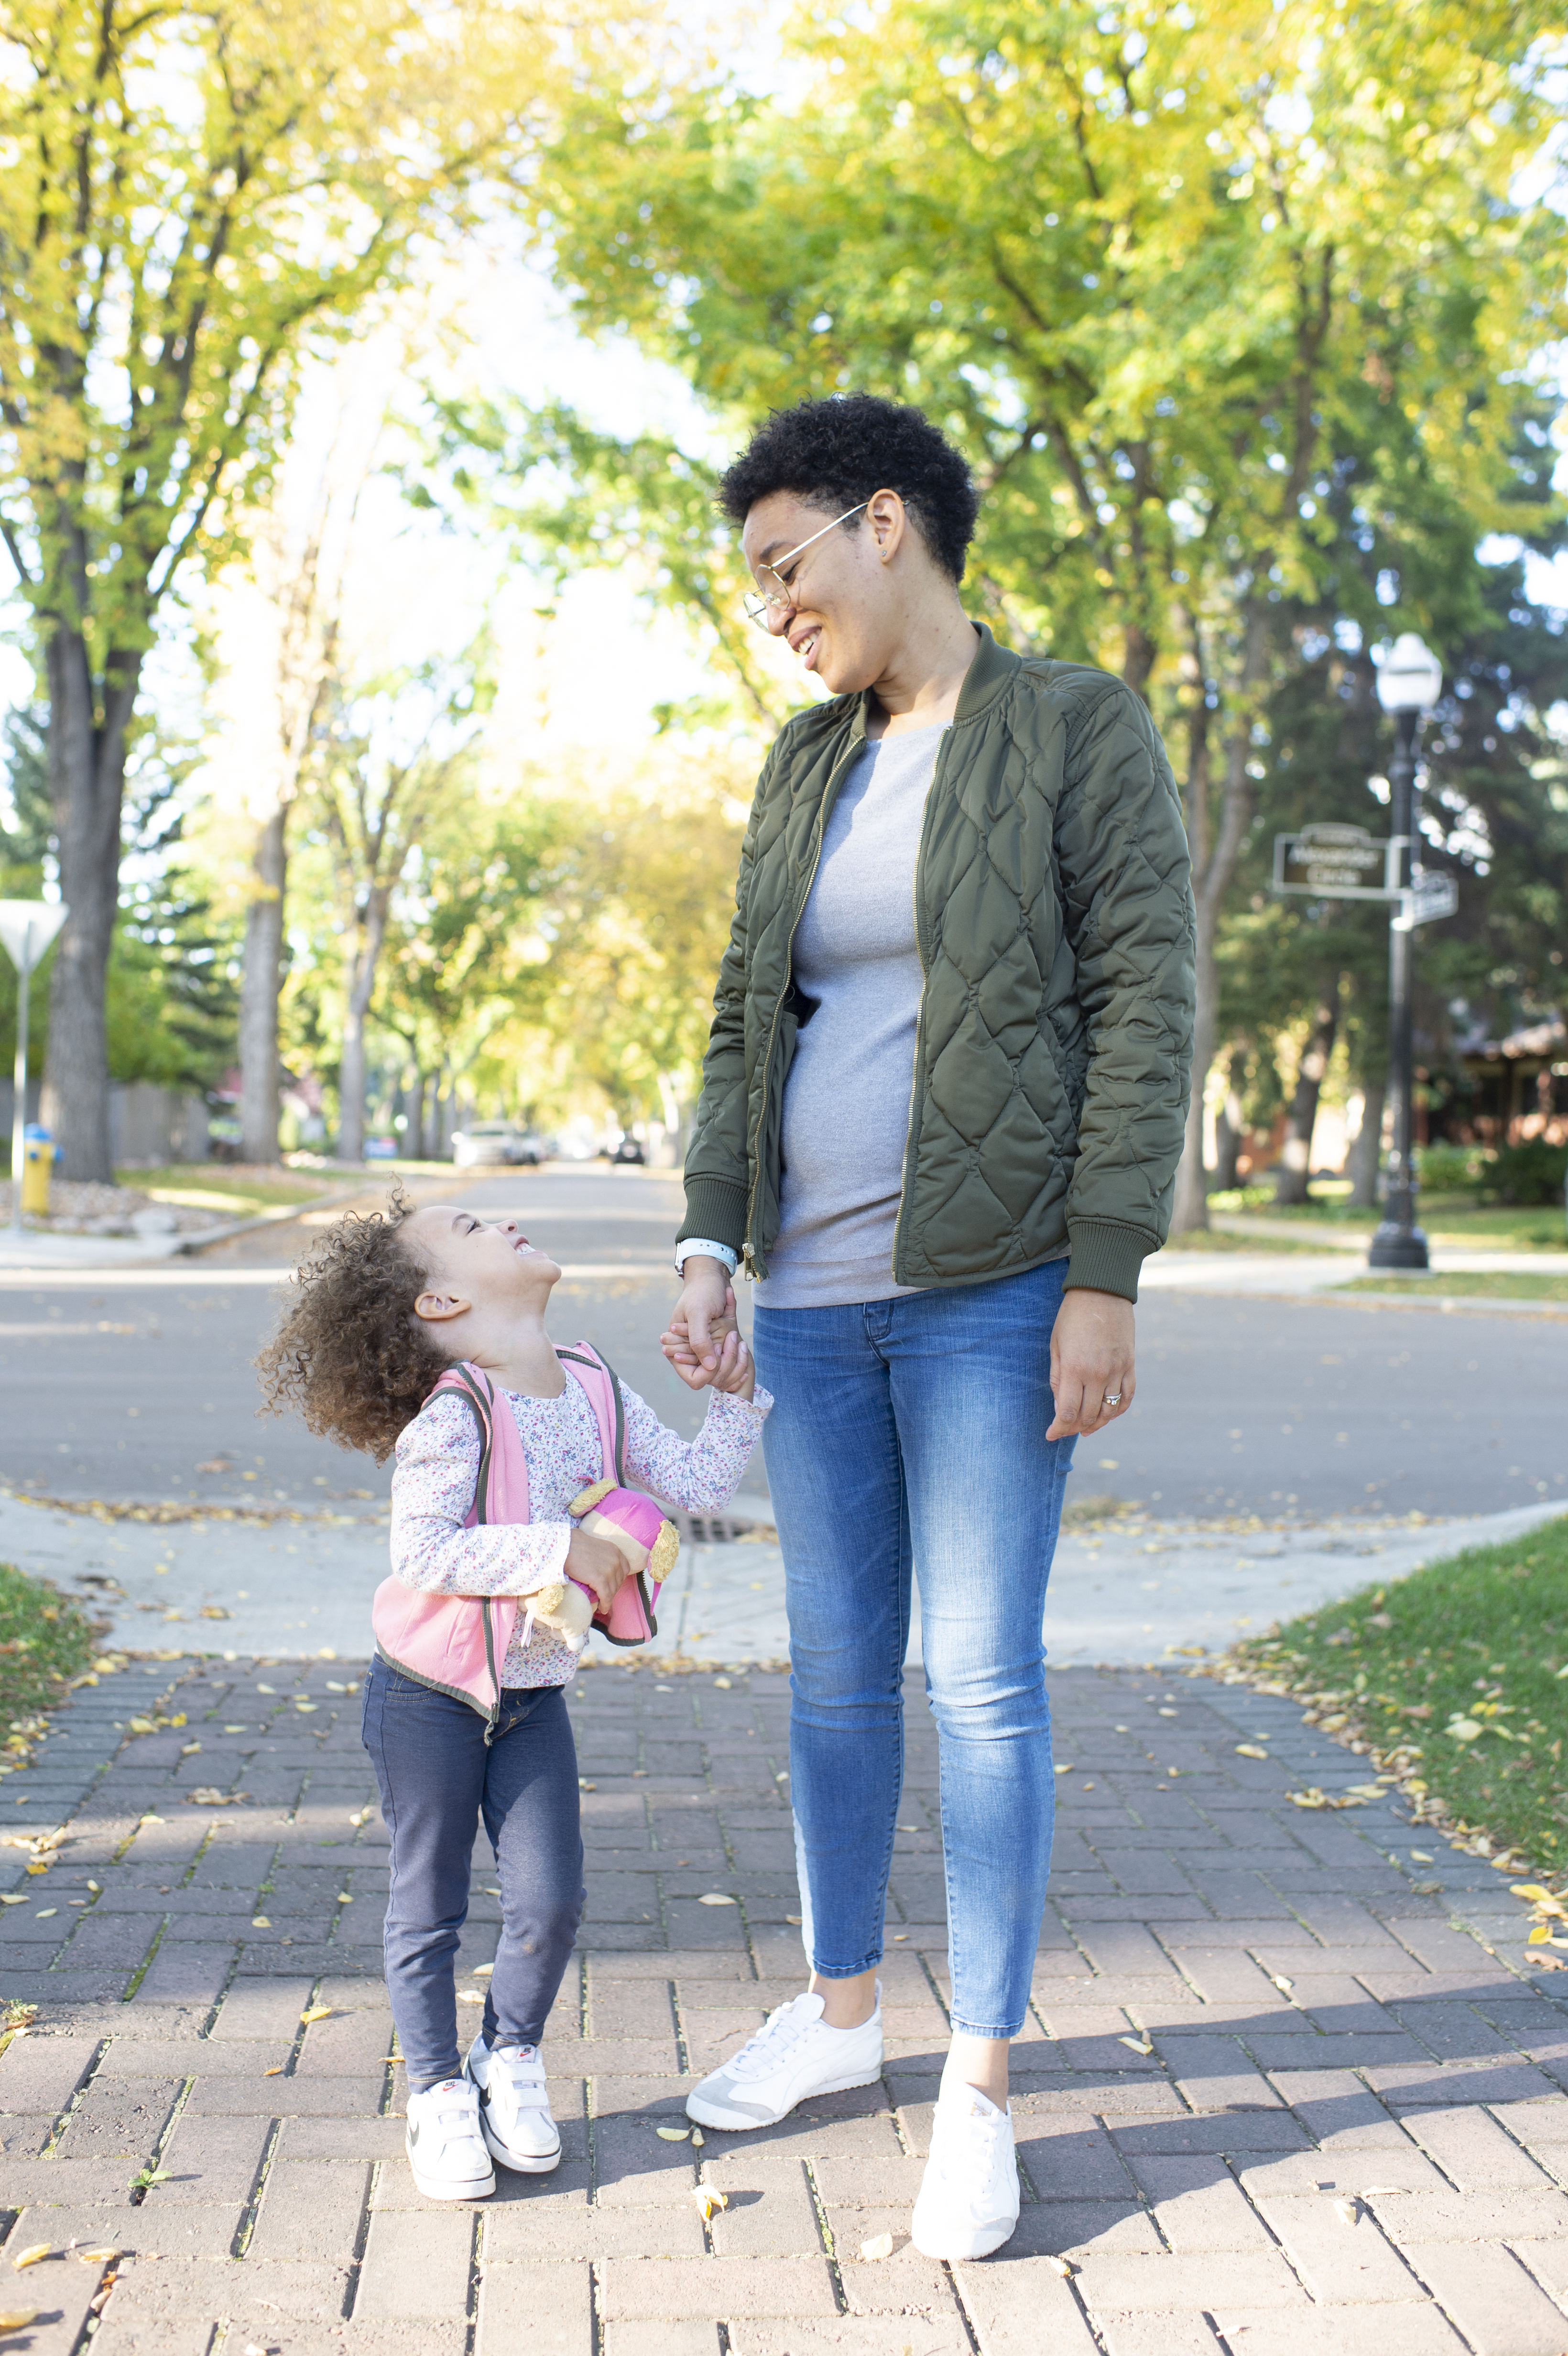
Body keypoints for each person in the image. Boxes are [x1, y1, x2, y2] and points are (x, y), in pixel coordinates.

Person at [664, 393, 1195, 2261]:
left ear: (884, 523)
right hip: (808, 1301)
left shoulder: (1070, 728)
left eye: (782, 564)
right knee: (827, 1676)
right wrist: (710, 1234)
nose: (770, 607)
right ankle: (834, 2015)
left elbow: (1144, 999)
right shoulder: (802, 767)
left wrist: (1106, 1265)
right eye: (751, 583)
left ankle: (976, 2083)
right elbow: (745, 1015)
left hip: (987, 1296)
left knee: (978, 1679)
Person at [258, 1192, 769, 2201]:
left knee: (551, 1895)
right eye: (470, 1225)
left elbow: (698, 1485)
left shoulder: (590, 1383)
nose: (502, 1221)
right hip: (428, 1695)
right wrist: (559, 1547)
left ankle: (511, 2055)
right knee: (428, 1903)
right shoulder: (456, 1413)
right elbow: (424, 1551)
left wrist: (736, 1399)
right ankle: (439, 2092)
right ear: (442, 1297)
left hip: (532, 1694)